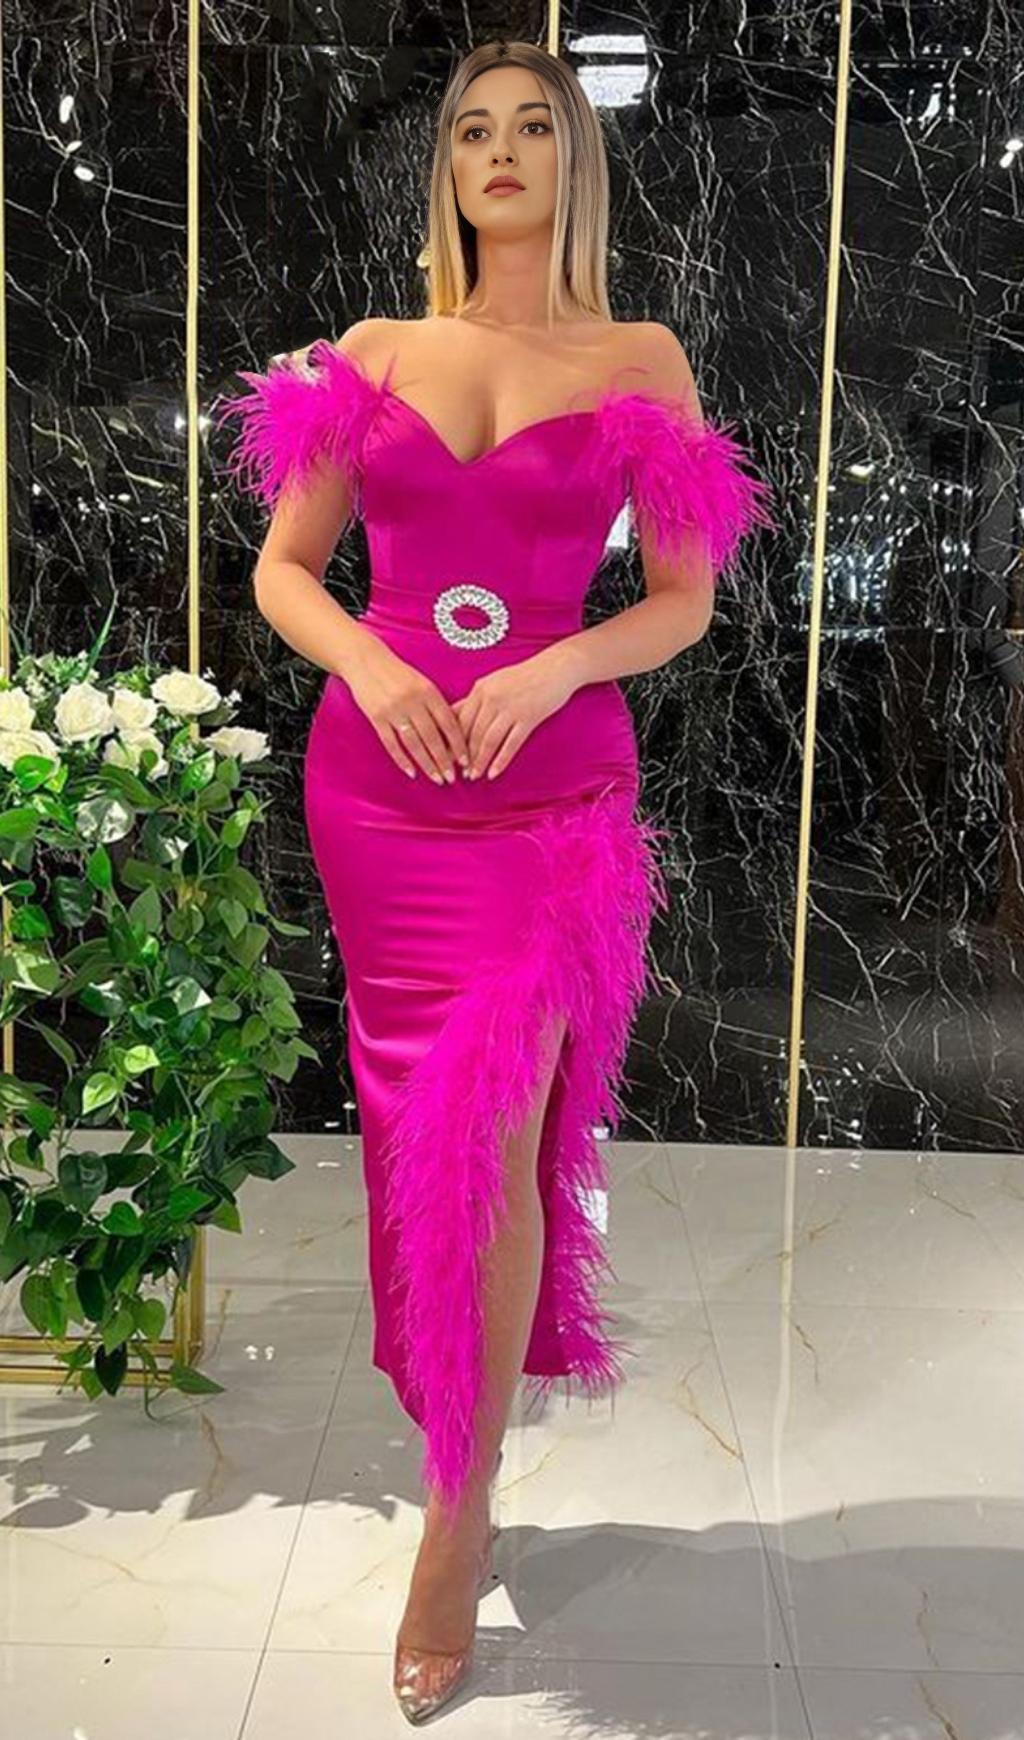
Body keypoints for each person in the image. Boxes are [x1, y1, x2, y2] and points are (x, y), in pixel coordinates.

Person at [213, 37, 775, 1725]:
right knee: (418, 1132)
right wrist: (373, 665)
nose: (503, 150)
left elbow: (681, 598)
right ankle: (451, 1432)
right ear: (446, 168)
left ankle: (457, 1509)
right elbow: (285, 570)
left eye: (536, 125)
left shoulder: (640, 358)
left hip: (552, 797)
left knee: (501, 1129)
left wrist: (554, 664)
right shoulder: (371, 353)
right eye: (474, 129)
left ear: (574, 163)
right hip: (380, 794)